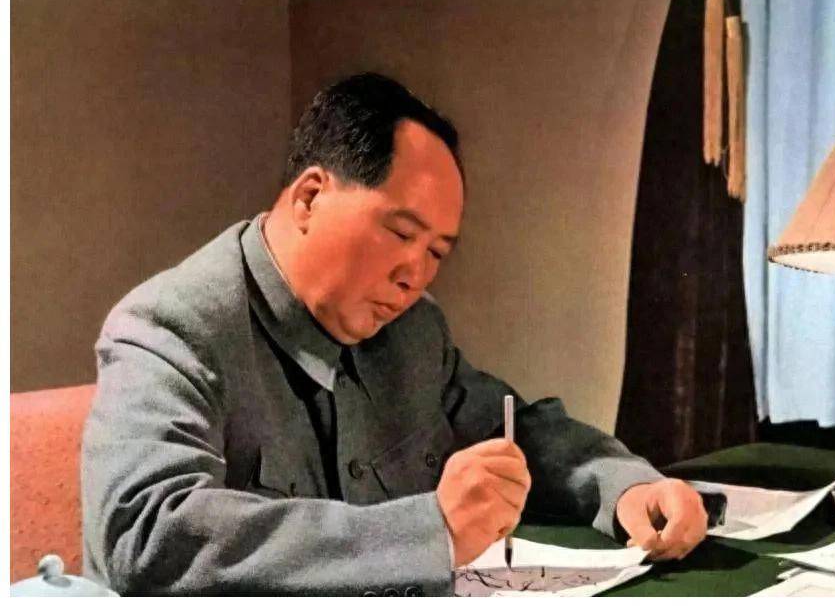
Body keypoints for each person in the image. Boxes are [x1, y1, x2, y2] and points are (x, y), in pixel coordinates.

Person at [81, 73, 710, 596]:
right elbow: (147, 532)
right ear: (309, 198)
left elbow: (513, 430)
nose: (414, 275)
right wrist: (428, 530)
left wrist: (628, 486)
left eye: (436, 252)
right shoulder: (170, 327)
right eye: (401, 233)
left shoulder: (414, 330)